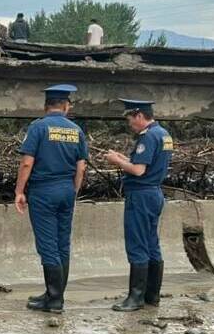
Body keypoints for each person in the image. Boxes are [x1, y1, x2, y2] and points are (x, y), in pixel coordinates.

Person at [14, 84, 88, 313]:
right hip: (66, 190)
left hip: (44, 191)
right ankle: (53, 294)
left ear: (46, 106)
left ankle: (55, 300)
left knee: (47, 246)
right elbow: (82, 167)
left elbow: (27, 162)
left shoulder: (38, 127)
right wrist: (73, 190)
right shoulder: (76, 130)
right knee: (62, 244)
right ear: (66, 106)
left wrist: (19, 191)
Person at [103, 99, 173, 312]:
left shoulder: (148, 136)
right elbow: (145, 164)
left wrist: (116, 162)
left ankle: (135, 298)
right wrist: (123, 157)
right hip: (155, 193)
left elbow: (139, 170)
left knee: (137, 244)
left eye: (130, 119)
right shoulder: (163, 134)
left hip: (141, 195)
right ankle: (152, 295)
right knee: (152, 244)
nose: (130, 124)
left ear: (140, 115)